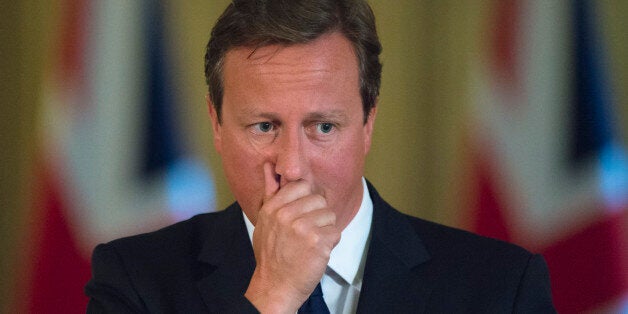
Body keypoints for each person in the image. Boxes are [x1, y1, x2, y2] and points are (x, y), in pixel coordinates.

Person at [85, 0, 556, 313]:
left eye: (323, 127)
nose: (292, 166)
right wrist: (273, 295)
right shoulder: (135, 282)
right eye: (264, 127)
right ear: (216, 123)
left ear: (369, 121)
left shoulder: (501, 288)